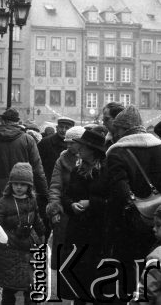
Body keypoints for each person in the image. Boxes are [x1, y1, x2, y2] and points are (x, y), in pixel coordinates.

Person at [105, 105, 161, 302]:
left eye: (117, 129)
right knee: (156, 273)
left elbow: (118, 190)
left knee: (128, 276)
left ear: (123, 129)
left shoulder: (117, 153)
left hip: (128, 226)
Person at [57, 130, 109, 303]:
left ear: (92, 149)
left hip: (97, 233)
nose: (78, 148)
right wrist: (70, 205)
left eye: (82, 146)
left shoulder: (106, 172)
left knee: (93, 280)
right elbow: (65, 195)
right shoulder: (77, 170)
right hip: (77, 232)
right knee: (76, 281)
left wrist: (91, 203)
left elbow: (114, 200)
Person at [0, 108, 49, 226]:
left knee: (1, 228)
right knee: (22, 225)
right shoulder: (27, 139)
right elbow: (38, 169)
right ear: (17, 122)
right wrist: (44, 193)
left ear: (3, 121)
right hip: (22, 189)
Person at [0, 163, 46, 305]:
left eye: (23, 184)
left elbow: (37, 219)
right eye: (15, 183)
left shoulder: (32, 200)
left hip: (28, 248)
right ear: (10, 184)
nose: (18, 187)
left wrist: (42, 234)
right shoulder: (3, 202)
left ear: (29, 186)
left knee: (30, 285)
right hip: (9, 251)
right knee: (9, 288)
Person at [46, 126, 85, 270]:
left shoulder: (91, 158)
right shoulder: (62, 160)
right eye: (67, 142)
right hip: (65, 208)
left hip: (84, 209)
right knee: (62, 245)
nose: (68, 146)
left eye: (72, 142)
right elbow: (55, 186)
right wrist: (55, 209)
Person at [37, 117, 75, 185]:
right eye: (61, 127)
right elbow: (38, 165)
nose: (63, 130)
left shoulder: (76, 144)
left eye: (67, 128)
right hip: (49, 183)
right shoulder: (45, 142)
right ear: (56, 128)